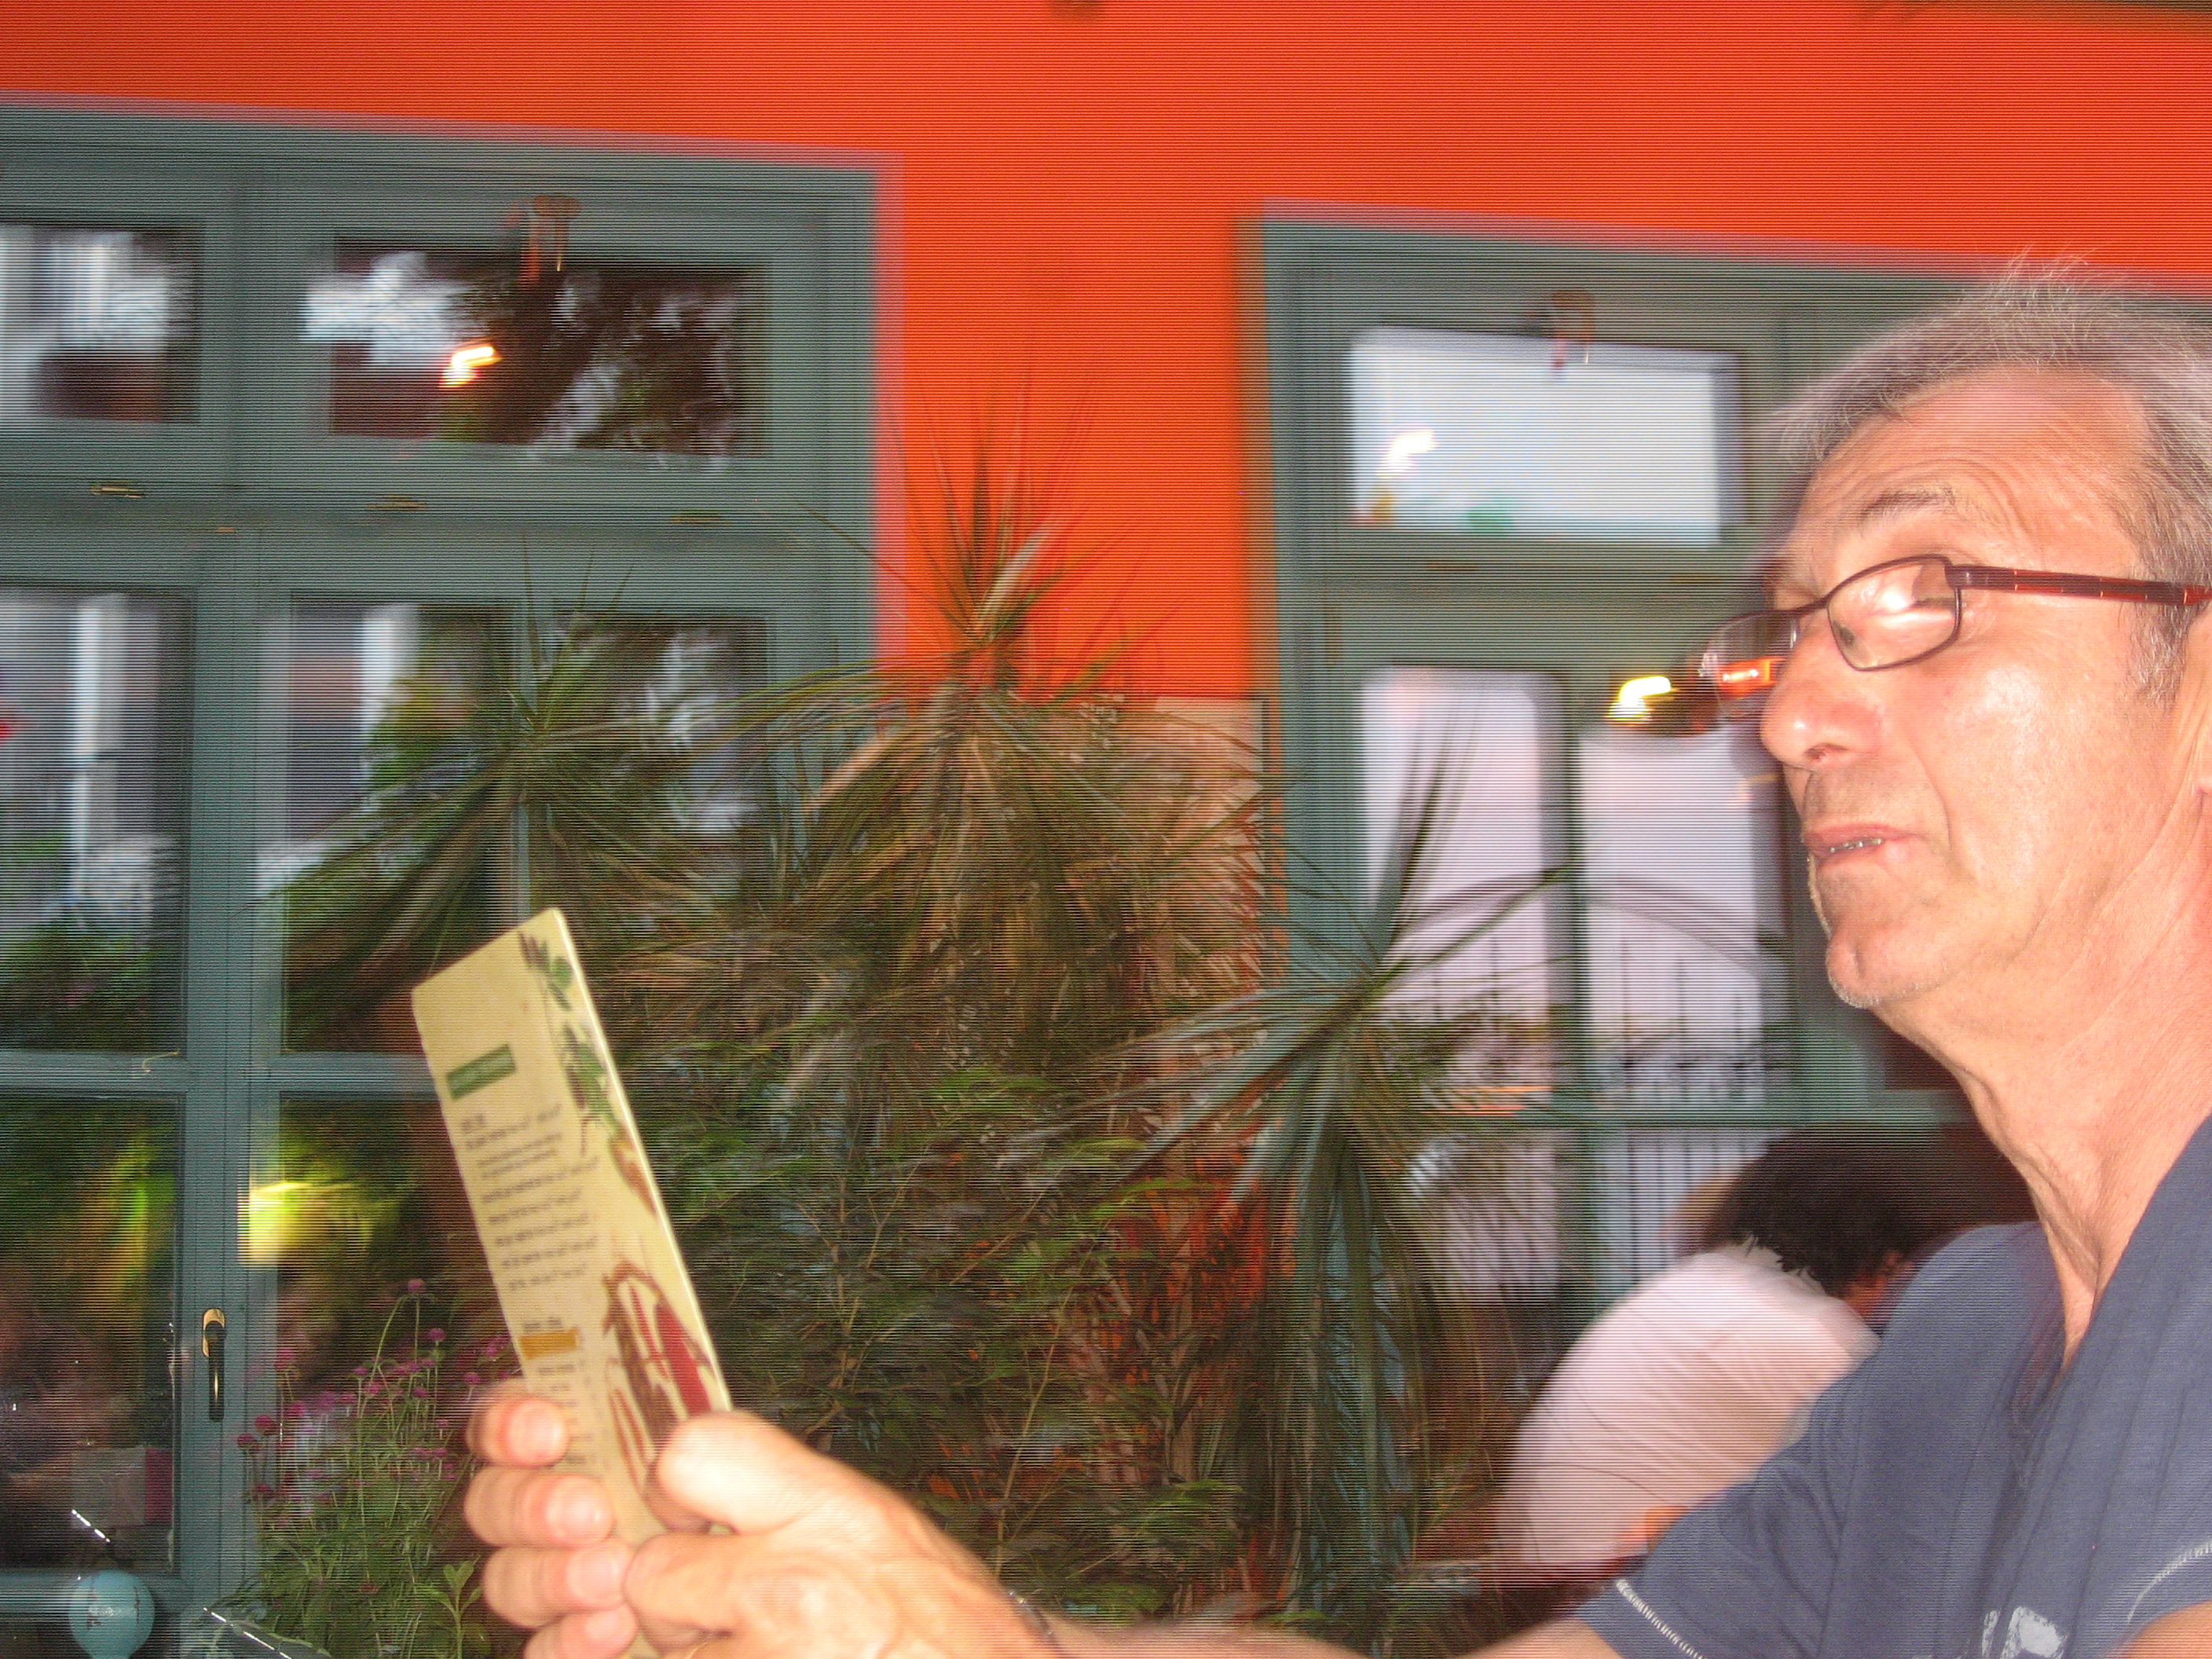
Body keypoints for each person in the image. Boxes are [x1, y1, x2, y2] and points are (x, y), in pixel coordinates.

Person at [463, 276, 2212, 1659]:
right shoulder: (1963, 1346)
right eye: (1795, 630)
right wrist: (968, 1636)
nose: (1796, 715)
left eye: (1921, 592)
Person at [1484, 1130, 1940, 1611]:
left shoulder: (1680, 1291)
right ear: (1878, 1262)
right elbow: (1916, 1500)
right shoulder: (1808, 1336)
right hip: (1639, 1606)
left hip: (1557, 1600)